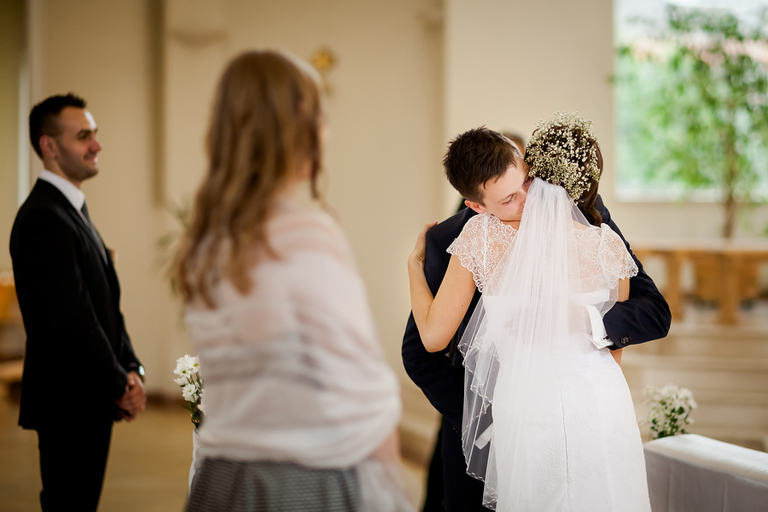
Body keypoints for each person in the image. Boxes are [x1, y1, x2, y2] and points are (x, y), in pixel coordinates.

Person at [174, 50, 411, 512]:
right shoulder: (306, 235)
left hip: (220, 481)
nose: (327, 131)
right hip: (298, 483)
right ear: (298, 127)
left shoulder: (204, 243)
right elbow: (363, 396)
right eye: (320, 116)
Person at [403, 125, 670, 511]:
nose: (528, 199)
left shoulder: (597, 226)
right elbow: (423, 349)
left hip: (599, 402)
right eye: (509, 198)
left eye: (528, 181)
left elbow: (633, 324)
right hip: (515, 414)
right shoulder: (466, 238)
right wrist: (488, 418)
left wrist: (588, 336)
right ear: (476, 206)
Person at [10, 93, 146, 511]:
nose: (97, 145)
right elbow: (71, 321)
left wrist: (131, 368)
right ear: (49, 147)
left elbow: (107, 307)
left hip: (92, 394)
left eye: (95, 133)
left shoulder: (72, 211)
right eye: (83, 135)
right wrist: (117, 384)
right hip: (68, 400)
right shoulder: (42, 219)